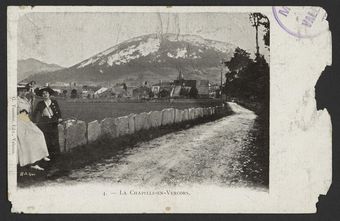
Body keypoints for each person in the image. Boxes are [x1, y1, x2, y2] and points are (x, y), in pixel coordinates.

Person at [17, 85, 50, 170]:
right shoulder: (16, 100)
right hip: (19, 121)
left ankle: (42, 155)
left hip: (25, 120)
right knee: (29, 138)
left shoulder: (26, 100)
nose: (24, 93)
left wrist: (32, 102)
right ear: (17, 91)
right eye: (22, 91)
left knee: (39, 134)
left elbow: (28, 112)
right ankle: (33, 163)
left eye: (25, 91)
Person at [33, 87, 62, 160]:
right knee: (46, 138)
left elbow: (58, 111)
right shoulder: (40, 103)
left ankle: (56, 155)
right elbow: (35, 113)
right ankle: (46, 155)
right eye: (43, 93)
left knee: (54, 137)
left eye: (46, 93)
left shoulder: (54, 102)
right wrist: (34, 122)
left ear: (49, 94)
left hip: (53, 121)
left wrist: (59, 118)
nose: (45, 95)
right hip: (44, 121)